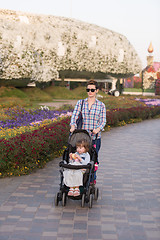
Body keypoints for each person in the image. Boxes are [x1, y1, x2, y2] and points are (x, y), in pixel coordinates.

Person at [70, 79, 106, 183]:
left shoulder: (101, 105)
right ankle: (77, 179)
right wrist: (73, 125)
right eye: (88, 89)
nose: (90, 92)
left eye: (92, 90)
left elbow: (103, 121)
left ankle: (91, 180)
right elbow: (74, 116)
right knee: (78, 157)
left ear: (97, 91)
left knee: (92, 160)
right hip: (81, 137)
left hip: (94, 137)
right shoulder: (81, 103)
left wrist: (98, 129)